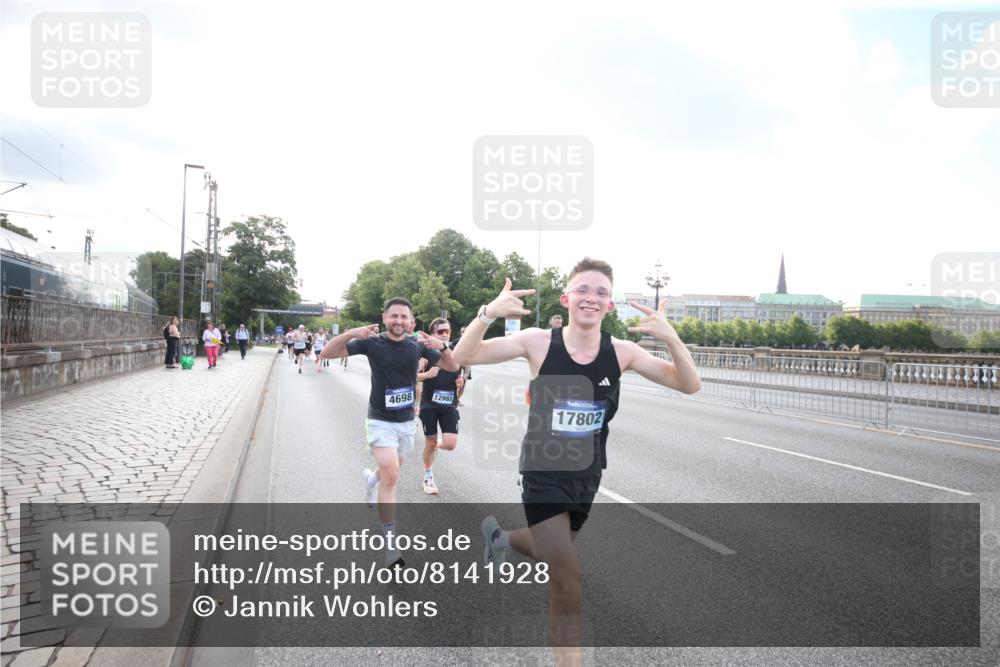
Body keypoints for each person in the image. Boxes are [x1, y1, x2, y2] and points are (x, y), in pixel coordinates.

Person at [452, 258, 701, 663]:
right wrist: (486, 314)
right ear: (567, 298)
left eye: (602, 292)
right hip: (542, 471)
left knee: (554, 551)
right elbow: (466, 355)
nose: (592, 297)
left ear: (610, 306)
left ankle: (501, 539)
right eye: (583, 289)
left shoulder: (622, 352)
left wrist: (672, 337)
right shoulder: (537, 342)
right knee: (567, 577)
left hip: (587, 474)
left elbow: (688, 384)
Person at [320, 298, 458, 567]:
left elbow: (452, 367)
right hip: (380, 420)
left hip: (406, 421)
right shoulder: (372, 342)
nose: (399, 321)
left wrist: (442, 346)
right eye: (394, 316)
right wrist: (350, 333)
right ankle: (391, 545)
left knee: (389, 471)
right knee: (393, 475)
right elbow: (327, 353)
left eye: (404, 317)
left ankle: (372, 479)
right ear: (384, 318)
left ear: (412, 321)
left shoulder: (418, 345)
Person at [416, 318, 464, 495]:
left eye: (447, 331)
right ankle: (428, 475)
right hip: (429, 405)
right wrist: (427, 375)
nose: (444, 334)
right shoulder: (426, 354)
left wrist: (461, 384)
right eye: (440, 332)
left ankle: (435, 446)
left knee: (450, 445)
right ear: (432, 334)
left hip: (449, 405)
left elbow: (460, 390)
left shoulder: (456, 354)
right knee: (431, 441)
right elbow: (412, 377)